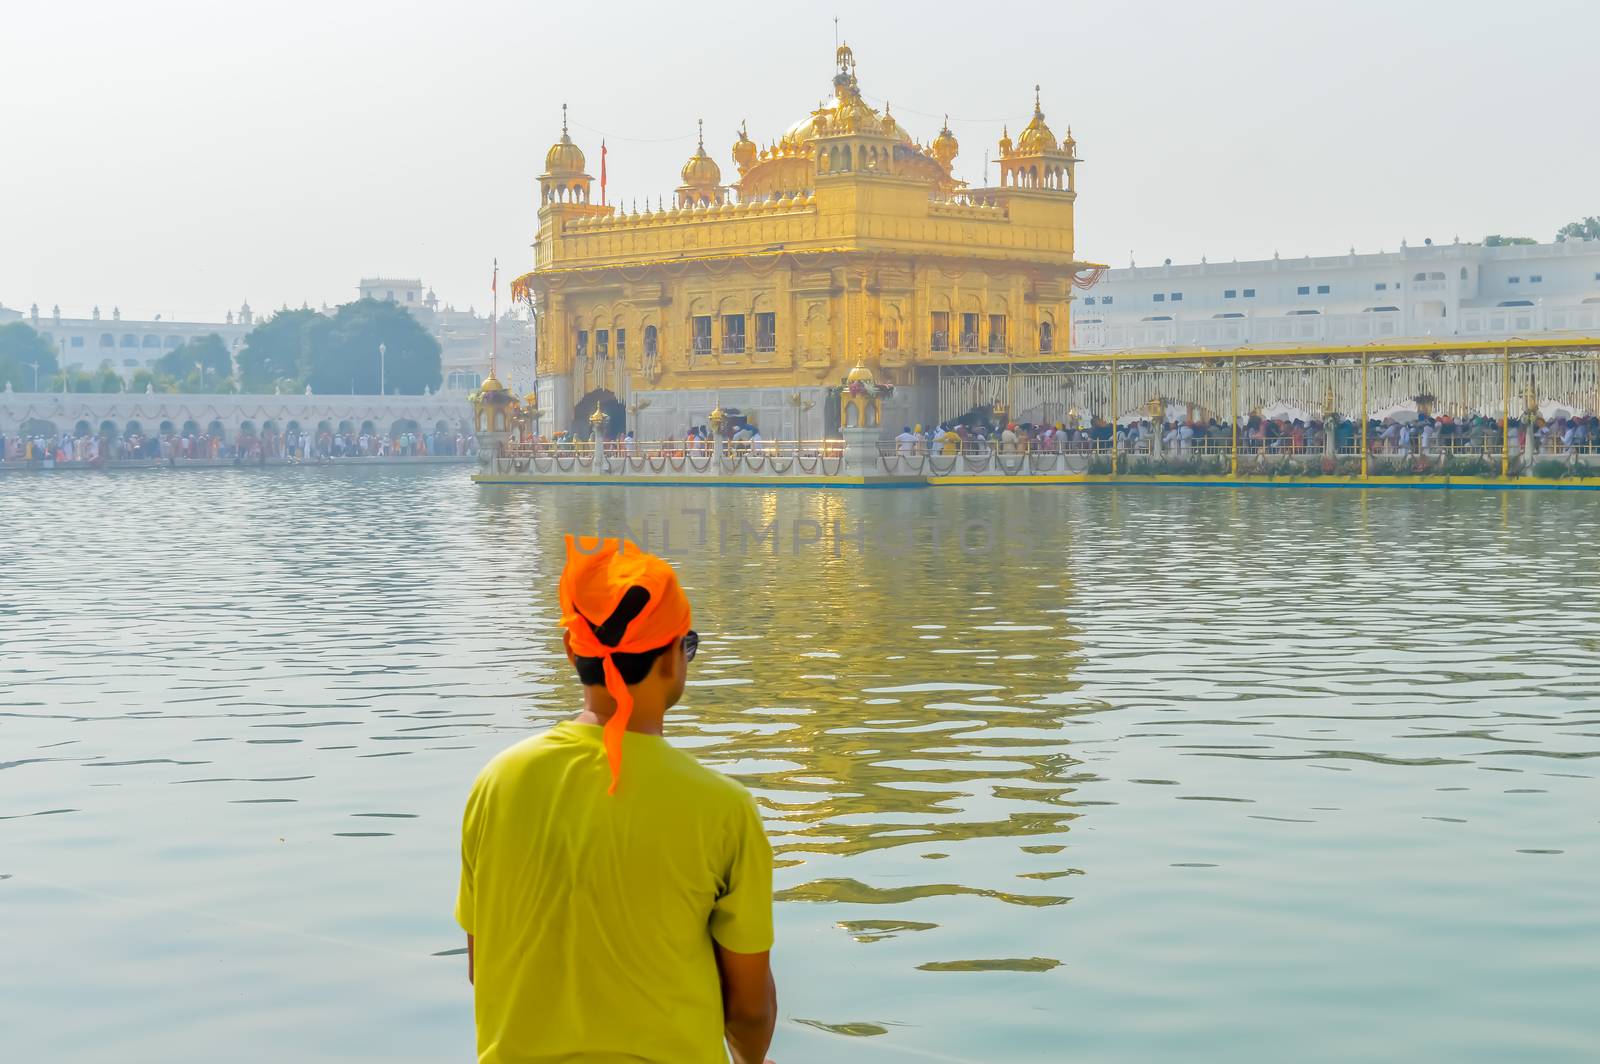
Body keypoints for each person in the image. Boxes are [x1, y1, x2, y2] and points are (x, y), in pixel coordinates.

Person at [456, 537, 777, 1064]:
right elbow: (748, 1010)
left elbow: (482, 966)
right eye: (686, 643)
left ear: (569, 650)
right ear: (675, 660)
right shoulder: (724, 810)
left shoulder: (495, 783)